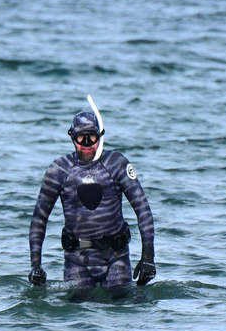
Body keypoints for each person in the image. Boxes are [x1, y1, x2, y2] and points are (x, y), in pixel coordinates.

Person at [28, 105, 155, 289]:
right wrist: (35, 266)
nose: (86, 143)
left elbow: (142, 209)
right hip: (76, 261)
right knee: (77, 304)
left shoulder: (116, 164)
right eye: (81, 137)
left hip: (116, 258)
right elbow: (39, 219)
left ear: (99, 136)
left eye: (92, 137)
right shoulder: (59, 170)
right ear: (72, 137)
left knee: (121, 303)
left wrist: (148, 258)